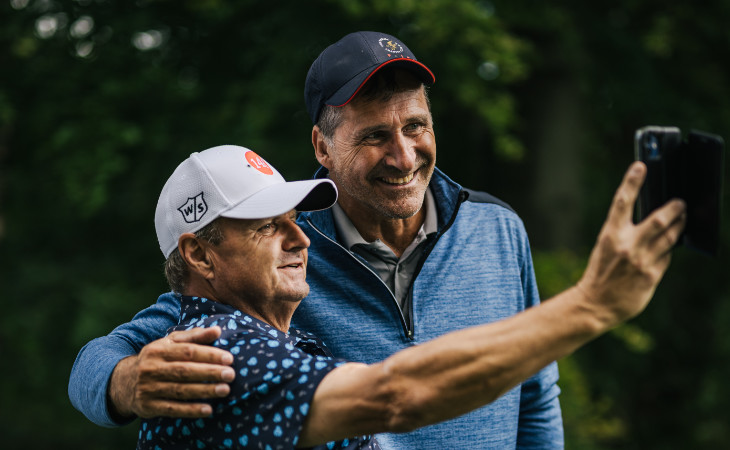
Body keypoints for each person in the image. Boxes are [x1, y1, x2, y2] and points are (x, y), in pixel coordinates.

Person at [69, 31, 686, 448]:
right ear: (322, 147)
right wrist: (125, 384)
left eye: (416, 126)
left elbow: (535, 392)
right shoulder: (267, 280)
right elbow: (104, 358)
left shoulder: (497, 229)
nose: (403, 154)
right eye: (373, 136)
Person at [137, 144, 682, 449]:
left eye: (294, 219)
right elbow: (396, 395)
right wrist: (590, 305)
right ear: (200, 256)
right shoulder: (221, 355)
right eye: (266, 227)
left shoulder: (283, 338)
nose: (301, 237)